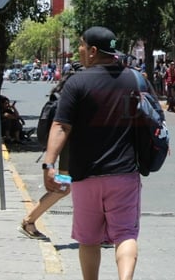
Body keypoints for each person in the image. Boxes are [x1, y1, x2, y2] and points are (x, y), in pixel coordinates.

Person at [42, 26, 142, 280]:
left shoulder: (77, 82)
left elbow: (61, 125)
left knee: (88, 239)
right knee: (126, 235)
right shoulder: (134, 78)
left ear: (94, 50)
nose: (80, 50)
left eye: (82, 45)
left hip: (86, 176)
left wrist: (49, 164)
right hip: (124, 174)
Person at [20, 72, 77, 239]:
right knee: (64, 187)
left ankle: (29, 220)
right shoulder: (70, 102)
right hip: (70, 153)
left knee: (71, 187)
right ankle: (29, 220)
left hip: (70, 153)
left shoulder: (60, 98)